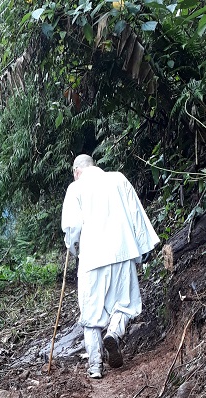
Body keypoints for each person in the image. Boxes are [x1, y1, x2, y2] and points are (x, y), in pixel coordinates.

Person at [61, 154, 160, 379]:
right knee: (125, 304)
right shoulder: (117, 178)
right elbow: (136, 213)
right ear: (93, 166)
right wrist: (142, 248)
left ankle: (95, 365)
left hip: (91, 259)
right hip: (123, 251)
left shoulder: (75, 189)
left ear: (76, 172)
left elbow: (72, 227)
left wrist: (74, 248)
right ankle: (114, 334)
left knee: (91, 314)